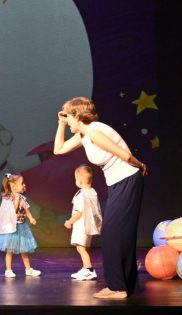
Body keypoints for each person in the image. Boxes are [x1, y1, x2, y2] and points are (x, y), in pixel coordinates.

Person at [54, 97, 147, 299]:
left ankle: (118, 287)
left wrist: (140, 165)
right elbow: (58, 150)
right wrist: (60, 124)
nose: (66, 120)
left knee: (112, 234)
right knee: (119, 234)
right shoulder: (83, 135)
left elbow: (124, 155)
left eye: (67, 116)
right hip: (118, 183)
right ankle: (127, 285)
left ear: (76, 115)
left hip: (127, 179)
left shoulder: (94, 132)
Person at [0, 173, 41, 278]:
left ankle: (28, 269)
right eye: (22, 183)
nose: (24, 185)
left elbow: (26, 210)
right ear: (13, 186)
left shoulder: (22, 198)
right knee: (10, 250)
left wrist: (31, 218)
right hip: (11, 228)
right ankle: (8, 270)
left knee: (24, 250)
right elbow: (13, 210)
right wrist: (17, 197)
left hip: (21, 227)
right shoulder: (8, 198)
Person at [64, 165, 102, 281]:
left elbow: (78, 212)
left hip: (82, 226)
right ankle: (86, 268)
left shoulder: (81, 195)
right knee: (85, 248)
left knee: (80, 248)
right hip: (89, 226)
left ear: (79, 181)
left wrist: (69, 222)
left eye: (76, 178)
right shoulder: (92, 192)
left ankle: (89, 270)